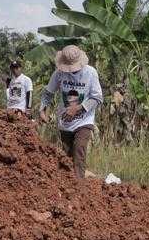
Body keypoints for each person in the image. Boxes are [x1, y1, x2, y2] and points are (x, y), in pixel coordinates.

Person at [39, 45, 103, 179]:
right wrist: (42, 109)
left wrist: (78, 108)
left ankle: (79, 187)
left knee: (79, 150)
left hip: (84, 120)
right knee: (65, 157)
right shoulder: (59, 73)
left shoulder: (90, 73)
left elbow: (97, 98)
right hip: (65, 121)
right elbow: (48, 93)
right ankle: (67, 186)